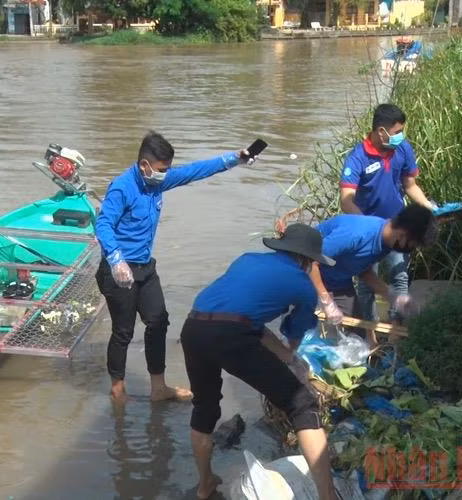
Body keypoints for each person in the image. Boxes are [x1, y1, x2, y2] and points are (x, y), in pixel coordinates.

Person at [94, 130, 256, 403]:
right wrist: (116, 259)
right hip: (118, 271)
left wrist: (234, 159)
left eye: (167, 170)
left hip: (144, 267)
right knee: (123, 331)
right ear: (144, 165)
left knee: (158, 321)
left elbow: (195, 171)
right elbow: (103, 224)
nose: (164, 174)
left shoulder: (157, 182)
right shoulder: (123, 187)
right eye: (161, 170)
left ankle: (159, 388)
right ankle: (118, 390)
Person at [180, 223, 338, 500]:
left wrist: (287, 358)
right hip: (230, 337)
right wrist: (294, 354)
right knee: (303, 404)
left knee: (204, 408)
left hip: (193, 327)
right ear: (307, 260)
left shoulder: (247, 260)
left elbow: (244, 319)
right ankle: (328, 496)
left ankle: (205, 485)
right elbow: (294, 332)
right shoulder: (303, 286)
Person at [339, 103, 435, 324]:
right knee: (366, 285)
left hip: (398, 228)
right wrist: (368, 228)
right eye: (397, 132)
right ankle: (370, 331)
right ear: (381, 131)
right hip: (370, 233)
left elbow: (410, 185)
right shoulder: (357, 157)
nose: (400, 136)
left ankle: (396, 329)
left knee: (400, 278)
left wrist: (429, 210)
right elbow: (346, 200)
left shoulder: (402, 149)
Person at [309, 205, 439, 344]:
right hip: (305, 275)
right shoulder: (356, 234)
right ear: (403, 233)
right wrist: (326, 301)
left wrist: (393, 297)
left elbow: (364, 270)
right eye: (413, 245)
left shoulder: (386, 244)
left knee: (356, 337)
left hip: (338, 283)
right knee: (316, 335)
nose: (411, 250)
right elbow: (310, 261)